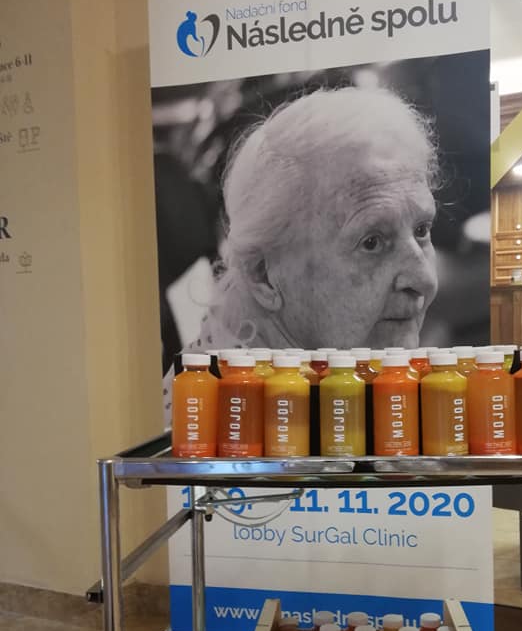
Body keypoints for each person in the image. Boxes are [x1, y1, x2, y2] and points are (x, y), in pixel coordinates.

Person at [163, 85, 440, 413]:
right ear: (264, 276)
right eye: (372, 243)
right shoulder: (212, 425)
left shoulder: (339, 378)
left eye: (421, 231)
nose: (425, 279)